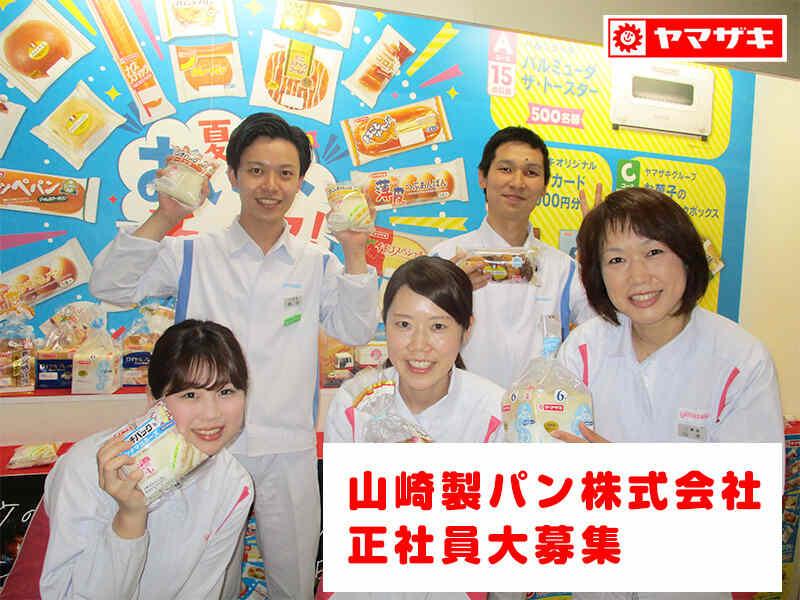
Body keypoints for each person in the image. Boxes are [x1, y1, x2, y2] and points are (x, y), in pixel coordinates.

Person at [89, 113, 379, 599]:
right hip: (200, 447)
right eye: (256, 170)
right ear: (232, 176)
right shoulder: (192, 255)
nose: (271, 186)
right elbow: (110, 285)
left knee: (293, 581)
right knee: (204, 582)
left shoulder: (316, 263)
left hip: (287, 446)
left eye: (285, 173)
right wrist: (165, 216)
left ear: (300, 183)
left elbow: (355, 329)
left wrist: (354, 251)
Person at [552, 187, 784, 600]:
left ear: (687, 255)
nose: (638, 276)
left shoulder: (741, 361)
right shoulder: (584, 349)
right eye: (616, 260)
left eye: (654, 252)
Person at [2, 320, 253, 599]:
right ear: (153, 398)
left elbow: (201, 592)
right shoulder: (86, 467)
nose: (212, 414)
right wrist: (130, 516)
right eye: (190, 395)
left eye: (226, 392)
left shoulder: (233, 484)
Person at [323, 256, 504, 600]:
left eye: (438, 327)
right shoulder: (355, 403)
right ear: (385, 324)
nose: (419, 345)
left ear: (466, 329)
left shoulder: (492, 411)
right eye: (404, 325)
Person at [431, 127, 594, 389]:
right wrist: (449, 289)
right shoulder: (443, 258)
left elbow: (603, 329)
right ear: (482, 177)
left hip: (539, 410)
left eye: (531, 173)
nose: (517, 183)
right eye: (506, 169)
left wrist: (601, 252)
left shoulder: (564, 269)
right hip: (461, 408)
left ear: (544, 188)